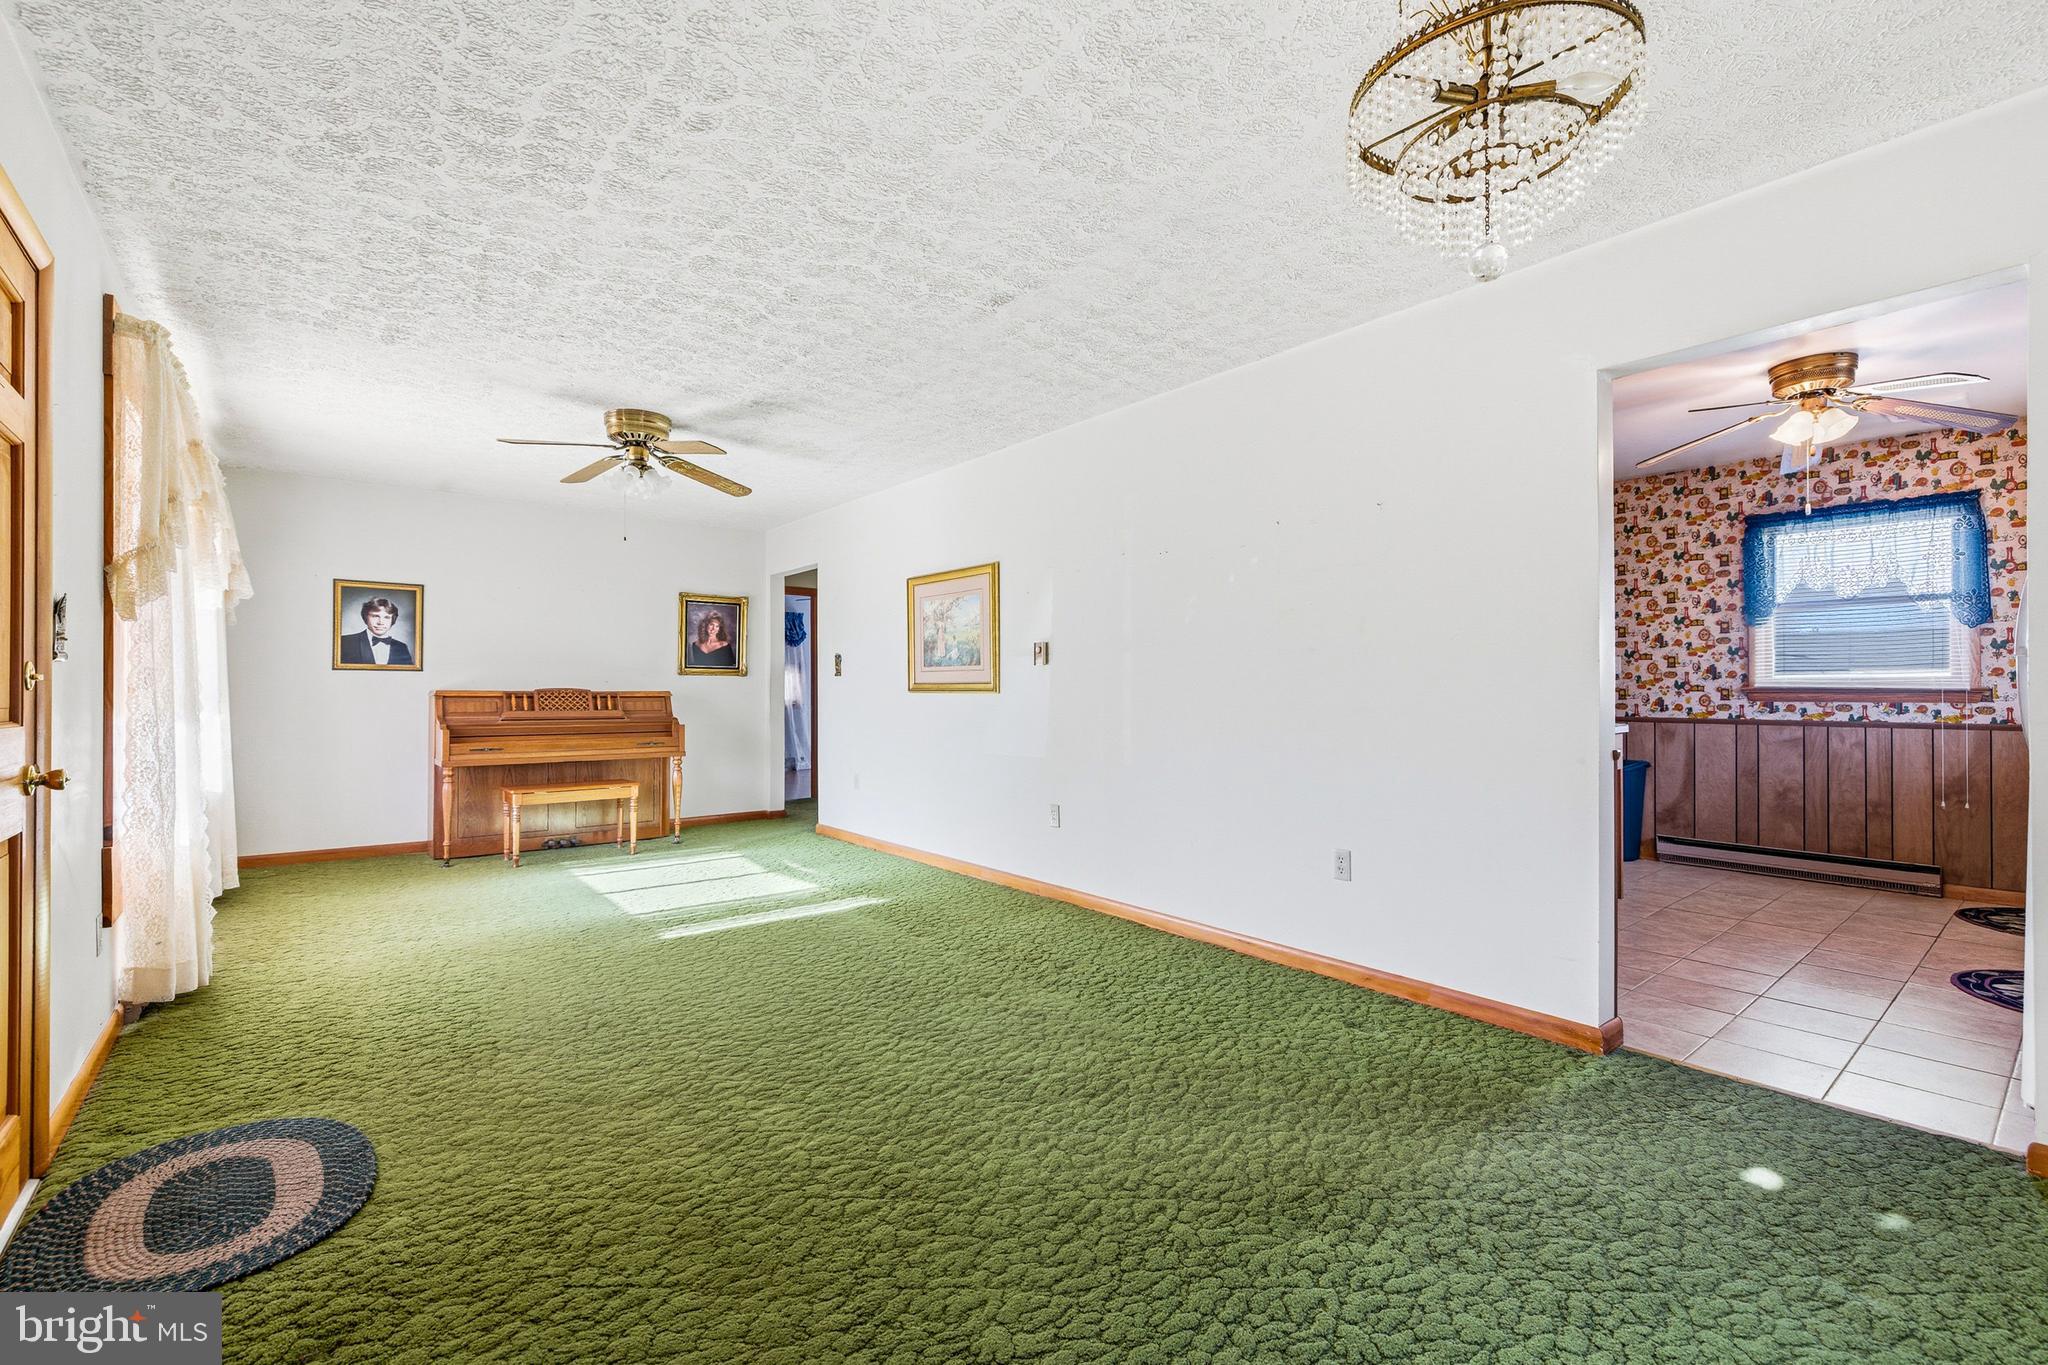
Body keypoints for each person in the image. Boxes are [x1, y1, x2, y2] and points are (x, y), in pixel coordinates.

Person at [339, 596, 413, 666]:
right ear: (365, 617)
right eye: (375, 616)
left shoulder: (401, 647)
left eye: (387, 617)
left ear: (392, 620)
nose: (380, 622)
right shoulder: (344, 642)